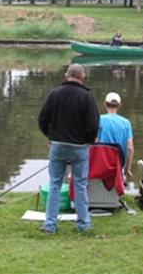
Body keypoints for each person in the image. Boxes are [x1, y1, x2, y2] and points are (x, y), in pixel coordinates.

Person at [37, 63, 99, 233]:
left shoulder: (54, 93)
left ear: (66, 75)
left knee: (55, 184)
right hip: (79, 147)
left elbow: (42, 120)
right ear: (82, 77)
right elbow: (93, 125)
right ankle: (83, 224)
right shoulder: (87, 97)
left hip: (57, 146)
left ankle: (50, 225)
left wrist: (51, 136)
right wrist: (89, 140)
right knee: (80, 185)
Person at [97, 92, 134, 180]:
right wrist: (127, 169)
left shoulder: (99, 120)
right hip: (118, 166)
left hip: (102, 164)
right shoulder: (126, 123)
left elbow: (94, 142)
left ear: (105, 104)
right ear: (119, 106)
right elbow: (130, 148)